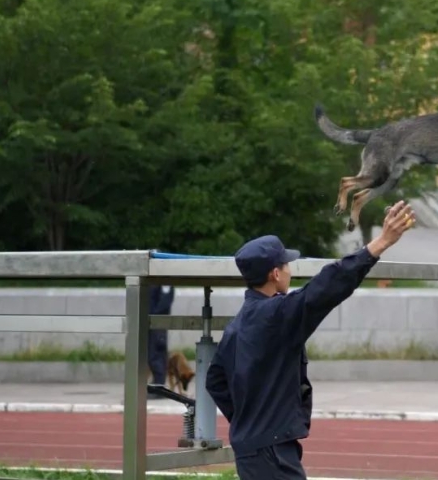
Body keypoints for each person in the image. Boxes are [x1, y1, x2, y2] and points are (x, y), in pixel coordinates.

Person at [205, 200, 417, 480]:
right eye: (286, 263)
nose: (291, 269)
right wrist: (381, 243)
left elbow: (215, 381)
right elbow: (326, 287)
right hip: (270, 451)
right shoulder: (277, 315)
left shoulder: (237, 324)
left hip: (254, 448)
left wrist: (249, 421)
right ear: (275, 273)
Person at [147, 284, 175, 400]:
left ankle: (159, 387)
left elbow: (166, 299)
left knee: (157, 354)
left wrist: (155, 314)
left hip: (158, 321)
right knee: (151, 355)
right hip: (150, 320)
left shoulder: (164, 280)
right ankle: (156, 386)